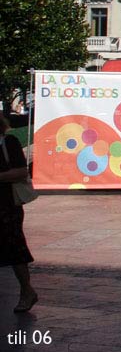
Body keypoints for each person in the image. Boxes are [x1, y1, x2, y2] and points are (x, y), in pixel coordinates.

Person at [0, 115, 36, 312]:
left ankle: (27, 291)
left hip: (6, 206)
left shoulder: (9, 142)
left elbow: (21, 172)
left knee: (14, 248)